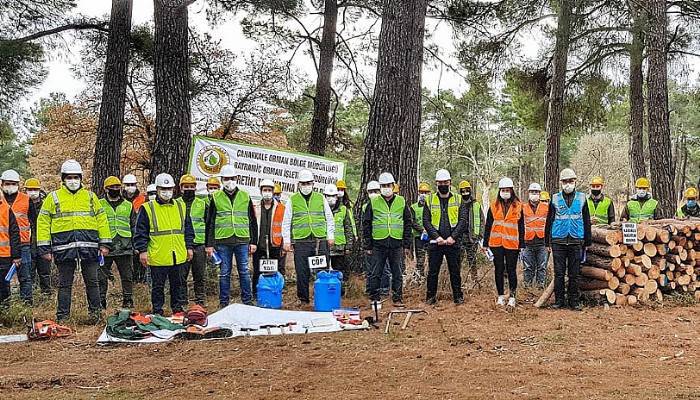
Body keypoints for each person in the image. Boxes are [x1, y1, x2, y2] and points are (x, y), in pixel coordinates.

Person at [37, 160, 112, 322]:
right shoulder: (53, 197)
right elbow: (43, 222)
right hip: (63, 249)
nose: (73, 180)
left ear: (80, 178)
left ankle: (96, 315)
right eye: (69, 177)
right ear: (63, 179)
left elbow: (102, 220)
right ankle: (62, 317)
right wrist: (44, 248)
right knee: (64, 284)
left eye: (76, 177)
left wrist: (105, 244)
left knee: (93, 282)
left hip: (90, 247)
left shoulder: (91, 197)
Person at [134, 173, 194, 316]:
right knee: (158, 286)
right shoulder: (148, 208)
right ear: (157, 189)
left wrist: (189, 246)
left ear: (174, 189)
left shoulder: (181, 206)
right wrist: (142, 250)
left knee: (177, 284)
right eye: (163, 189)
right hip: (158, 254)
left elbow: (188, 229)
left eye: (169, 189)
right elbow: (140, 232)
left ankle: (177, 309)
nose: (167, 192)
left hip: (177, 254)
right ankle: (158, 311)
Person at [205, 164, 257, 307]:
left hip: (242, 240)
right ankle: (224, 303)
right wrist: (209, 244)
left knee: (244, 272)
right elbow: (210, 222)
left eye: (232, 178)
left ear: (237, 178)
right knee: (224, 273)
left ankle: (247, 302)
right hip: (223, 242)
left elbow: (252, 221)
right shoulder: (216, 198)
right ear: (222, 180)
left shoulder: (245, 196)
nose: (230, 181)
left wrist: (253, 241)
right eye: (226, 179)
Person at [281, 169, 335, 306]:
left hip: (320, 240)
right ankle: (303, 299)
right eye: (303, 183)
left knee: (322, 270)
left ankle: (322, 297)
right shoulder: (292, 200)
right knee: (302, 271)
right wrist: (286, 241)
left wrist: (330, 235)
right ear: (299, 184)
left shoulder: (320, 198)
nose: (306, 186)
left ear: (313, 183)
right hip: (301, 241)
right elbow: (286, 221)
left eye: (308, 183)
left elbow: (329, 218)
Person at [545, 168, 592, 310]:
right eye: (565, 182)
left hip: (576, 240)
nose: (568, 184)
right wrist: (547, 242)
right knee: (559, 273)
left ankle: (574, 301)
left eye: (570, 181)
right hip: (558, 239)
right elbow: (549, 220)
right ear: (561, 183)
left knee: (574, 274)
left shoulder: (582, 198)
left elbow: (586, 220)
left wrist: (587, 241)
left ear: (575, 182)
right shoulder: (554, 198)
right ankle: (559, 301)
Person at [363, 172, 411, 307]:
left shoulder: (401, 201)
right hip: (378, 243)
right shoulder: (373, 202)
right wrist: (368, 245)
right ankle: (374, 298)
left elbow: (408, 222)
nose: (386, 188)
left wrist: (406, 243)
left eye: (388, 185)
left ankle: (397, 298)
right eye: (383, 186)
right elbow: (366, 224)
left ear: (393, 186)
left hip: (396, 243)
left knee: (397, 272)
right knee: (375, 272)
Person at [423, 169, 467, 305]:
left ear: (450, 183)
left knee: (455, 271)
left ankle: (458, 297)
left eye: (445, 182)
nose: (443, 184)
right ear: (436, 183)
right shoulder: (429, 199)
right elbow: (426, 221)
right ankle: (430, 298)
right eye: (440, 182)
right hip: (436, 242)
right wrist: (437, 237)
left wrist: (453, 237)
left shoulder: (458, 199)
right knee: (433, 272)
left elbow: (463, 220)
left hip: (452, 242)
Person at [482, 177, 524, 307]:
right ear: (500, 191)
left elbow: (522, 227)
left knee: (511, 270)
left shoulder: (518, 206)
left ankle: (512, 297)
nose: (505, 192)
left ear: (512, 191)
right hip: (496, 244)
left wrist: (522, 244)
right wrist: (485, 243)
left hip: (512, 244)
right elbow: (488, 225)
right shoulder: (493, 206)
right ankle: (500, 296)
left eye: (507, 190)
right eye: (503, 190)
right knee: (498, 270)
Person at [98, 176, 136, 309]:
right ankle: (101, 301)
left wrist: (135, 245)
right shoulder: (99, 204)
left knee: (127, 276)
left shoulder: (128, 205)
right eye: (112, 187)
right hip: (105, 246)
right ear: (106, 189)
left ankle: (128, 299)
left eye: (117, 187)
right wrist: (98, 244)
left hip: (125, 245)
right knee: (101, 277)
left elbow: (133, 225)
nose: (115, 189)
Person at [1, 169, 37, 304]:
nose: (10, 186)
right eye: (8, 183)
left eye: (13, 183)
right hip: (3, 246)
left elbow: (34, 223)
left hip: (23, 244)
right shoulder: (0, 200)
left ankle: (26, 304)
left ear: (18, 184)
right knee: (3, 279)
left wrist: (33, 245)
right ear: (2, 183)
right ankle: (5, 306)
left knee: (25, 277)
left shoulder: (26, 200)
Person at [252, 179, 286, 297]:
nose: (267, 192)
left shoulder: (281, 208)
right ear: (261, 191)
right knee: (257, 271)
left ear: (273, 191)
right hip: (258, 245)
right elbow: (251, 225)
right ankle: (256, 294)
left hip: (275, 245)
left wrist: (283, 245)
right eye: (264, 190)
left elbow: (285, 227)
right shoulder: (254, 206)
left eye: (269, 190)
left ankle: (275, 293)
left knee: (274, 271)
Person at [179, 174, 208, 306]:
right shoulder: (176, 204)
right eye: (186, 187)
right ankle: (183, 300)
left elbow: (208, 225)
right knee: (181, 276)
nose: (189, 189)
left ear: (196, 188)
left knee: (199, 275)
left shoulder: (202, 204)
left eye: (191, 187)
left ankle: (200, 301)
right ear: (181, 188)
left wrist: (208, 244)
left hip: (199, 244)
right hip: (182, 244)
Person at [361, 181, 390, 295]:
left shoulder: (386, 205)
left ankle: (384, 289)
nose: (373, 194)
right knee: (370, 268)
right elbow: (365, 226)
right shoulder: (365, 207)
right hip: (371, 241)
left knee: (385, 267)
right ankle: (370, 290)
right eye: (371, 192)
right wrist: (367, 243)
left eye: (376, 191)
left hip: (383, 240)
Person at [326, 183, 355, 291]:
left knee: (339, 271)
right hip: (325, 247)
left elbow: (348, 228)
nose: (331, 198)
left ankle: (340, 291)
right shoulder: (321, 209)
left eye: (333, 196)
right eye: (328, 196)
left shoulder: (343, 209)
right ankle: (325, 290)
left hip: (339, 247)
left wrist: (348, 246)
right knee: (323, 271)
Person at [25, 178, 51, 294]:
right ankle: (32, 295)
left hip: (43, 244)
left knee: (45, 272)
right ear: (26, 190)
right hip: (28, 244)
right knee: (29, 273)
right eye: (30, 190)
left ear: (39, 190)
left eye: (35, 189)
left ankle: (46, 295)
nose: (33, 192)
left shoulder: (46, 204)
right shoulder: (23, 205)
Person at [521, 183, 549, 288]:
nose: (534, 194)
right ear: (529, 193)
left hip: (542, 242)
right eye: (532, 192)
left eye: (536, 192)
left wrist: (549, 242)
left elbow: (549, 224)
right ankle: (527, 287)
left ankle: (540, 287)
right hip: (527, 242)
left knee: (542, 267)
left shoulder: (546, 208)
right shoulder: (523, 207)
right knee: (528, 267)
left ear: (540, 194)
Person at [458, 180, 483, 284]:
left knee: (472, 260)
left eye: (467, 190)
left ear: (470, 190)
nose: (465, 193)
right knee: (458, 260)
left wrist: (480, 235)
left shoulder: (476, 204)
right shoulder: (457, 203)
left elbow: (482, 220)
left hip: (472, 237)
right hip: (459, 237)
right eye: (463, 191)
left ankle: (475, 280)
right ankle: (457, 280)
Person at [0, 191, 21, 304]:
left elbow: (14, 233)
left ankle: (5, 315)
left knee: (3, 288)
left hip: (4, 256)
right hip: (4, 255)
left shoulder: (6, 209)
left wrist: (16, 255)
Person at [410, 182, 431, 281]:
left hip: (431, 236)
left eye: (426, 192)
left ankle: (430, 278)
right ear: (418, 193)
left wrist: (429, 230)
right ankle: (420, 278)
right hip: (419, 237)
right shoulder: (413, 207)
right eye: (422, 192)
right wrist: (422, 230)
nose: (424, 194)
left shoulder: (432, 206)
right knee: (420, 259)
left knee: (432, 258)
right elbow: (412, 222)